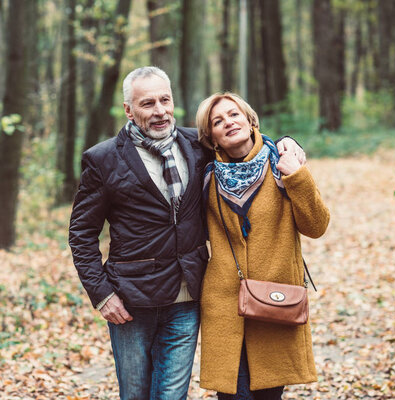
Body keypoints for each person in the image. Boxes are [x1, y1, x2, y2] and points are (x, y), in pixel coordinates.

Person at [68, 67, 304, 400]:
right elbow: (81, 233)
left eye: (165, 100)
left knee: (171, 395)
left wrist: (285, 143)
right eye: (148, 103)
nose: (160, 110)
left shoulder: (197, 144)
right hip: (131, 300)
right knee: (135, 394)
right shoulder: (103, 159)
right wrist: (102, 293)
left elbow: (246, 143)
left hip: (187, 295)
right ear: (129, 110)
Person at [195, 92, 330, 400]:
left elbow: (317, 226)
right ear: (211, 137)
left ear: (250, 120)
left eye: (234, 115)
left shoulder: (284, 165)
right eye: (218, 121)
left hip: (274, 302)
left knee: (269, 395)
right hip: (225, 306)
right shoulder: (206, 178)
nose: (228, 123)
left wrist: (297, 176)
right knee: (232, 395)